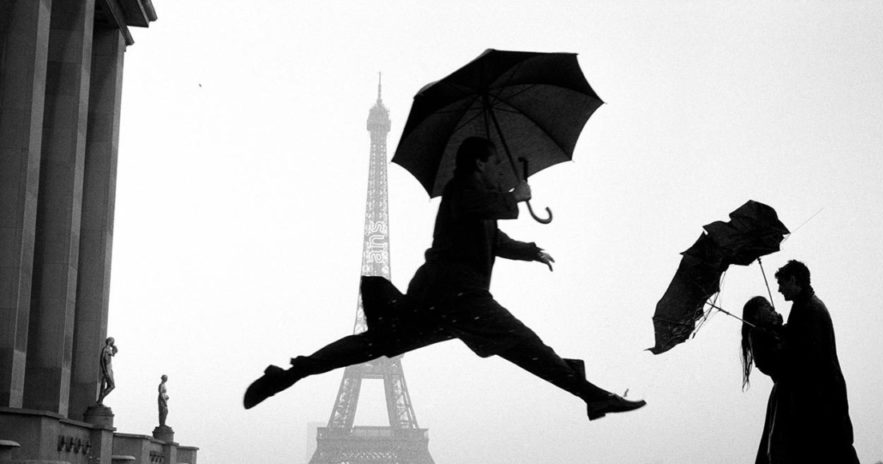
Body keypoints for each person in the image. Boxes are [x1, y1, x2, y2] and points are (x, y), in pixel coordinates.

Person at [244, 137, 646, 421]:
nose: (500, 171)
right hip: (457, 295)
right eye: (495, 165)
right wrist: (516, 197)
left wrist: (529, 250)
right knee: (524, 344)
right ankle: (594, 397)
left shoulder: (475, 199)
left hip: (438, 297)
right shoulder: (462, 189)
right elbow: (485, 210)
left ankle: (291, 374)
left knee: (373, 344)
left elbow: (494, 237)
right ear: (478, 165)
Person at [775, 260, 871, 464]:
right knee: (830, 456)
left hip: (823, 398)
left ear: (795, 280)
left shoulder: (809, 310)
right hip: (824, 395)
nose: (780, 289)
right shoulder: (806, 307)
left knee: (836, 456)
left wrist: (781, 337)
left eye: (783, 282)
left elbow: (807, 357)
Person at [742, 296, 812, 464]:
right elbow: (777, 363)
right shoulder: (758, 335)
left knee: (792, 456)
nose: (772, 310)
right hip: (787, 397)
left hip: (792, 394)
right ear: (755, 315)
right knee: (788, 456)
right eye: (767, 308)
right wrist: (780, 333)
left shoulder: (768, 332)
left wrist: (780, 329)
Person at [97, 337, 118, 404]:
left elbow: (113, 354)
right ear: (110, 342)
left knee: (109, 386)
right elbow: (101, 360)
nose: (113, 343)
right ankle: (101, 398)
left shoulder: (108, 349)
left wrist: (114, 348)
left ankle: (100, 399)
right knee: (112, 386)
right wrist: (104, 370)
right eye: (112, 342)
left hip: (109, 369)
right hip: (107, 369)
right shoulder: (106, 349)